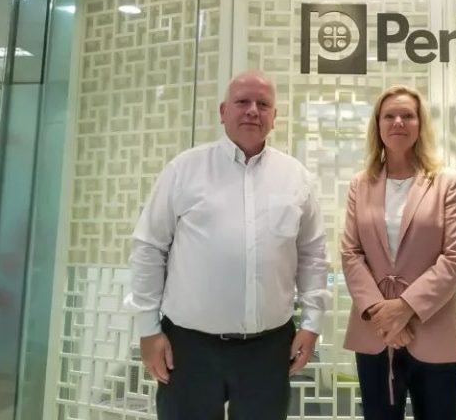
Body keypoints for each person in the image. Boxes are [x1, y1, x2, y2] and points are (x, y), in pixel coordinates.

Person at [125, 70, 329, 420]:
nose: (252, 110)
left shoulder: (296, 178)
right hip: (189, 347)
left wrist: (312, 324)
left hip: (269, 349)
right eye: (242, 102)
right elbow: (149, 248)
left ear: (275, 116)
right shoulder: (183, 170)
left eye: (263, 104)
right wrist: (147, 329)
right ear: (223, 111)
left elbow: (312, 255)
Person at [340, 84, 456, 420]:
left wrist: (404, 308)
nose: (398, 122)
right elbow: (351, 254)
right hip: (375, 331)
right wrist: (383, 314)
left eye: (407, 116)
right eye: (389, 116)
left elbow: (455, 257)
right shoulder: (360, 184)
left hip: (434, 328)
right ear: (378, 125)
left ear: (420, 124)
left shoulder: (448, 182)